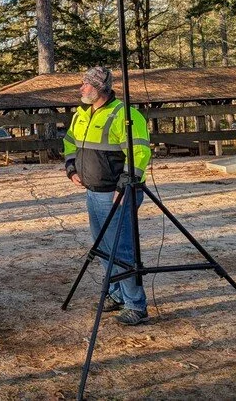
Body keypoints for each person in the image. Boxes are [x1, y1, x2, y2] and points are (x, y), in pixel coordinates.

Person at [63, 65, 153, 326]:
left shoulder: (125, 115)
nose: (81, 88)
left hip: (117, 194)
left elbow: (140, 151)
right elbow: (69, 142)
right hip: (93, 191)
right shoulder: (81, 114)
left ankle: (136, 304)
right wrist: (71, 168)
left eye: (86, 84)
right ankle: (115, 293)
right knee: (102, 247)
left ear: (99, 88)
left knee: (121, 249)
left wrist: (126, 182)